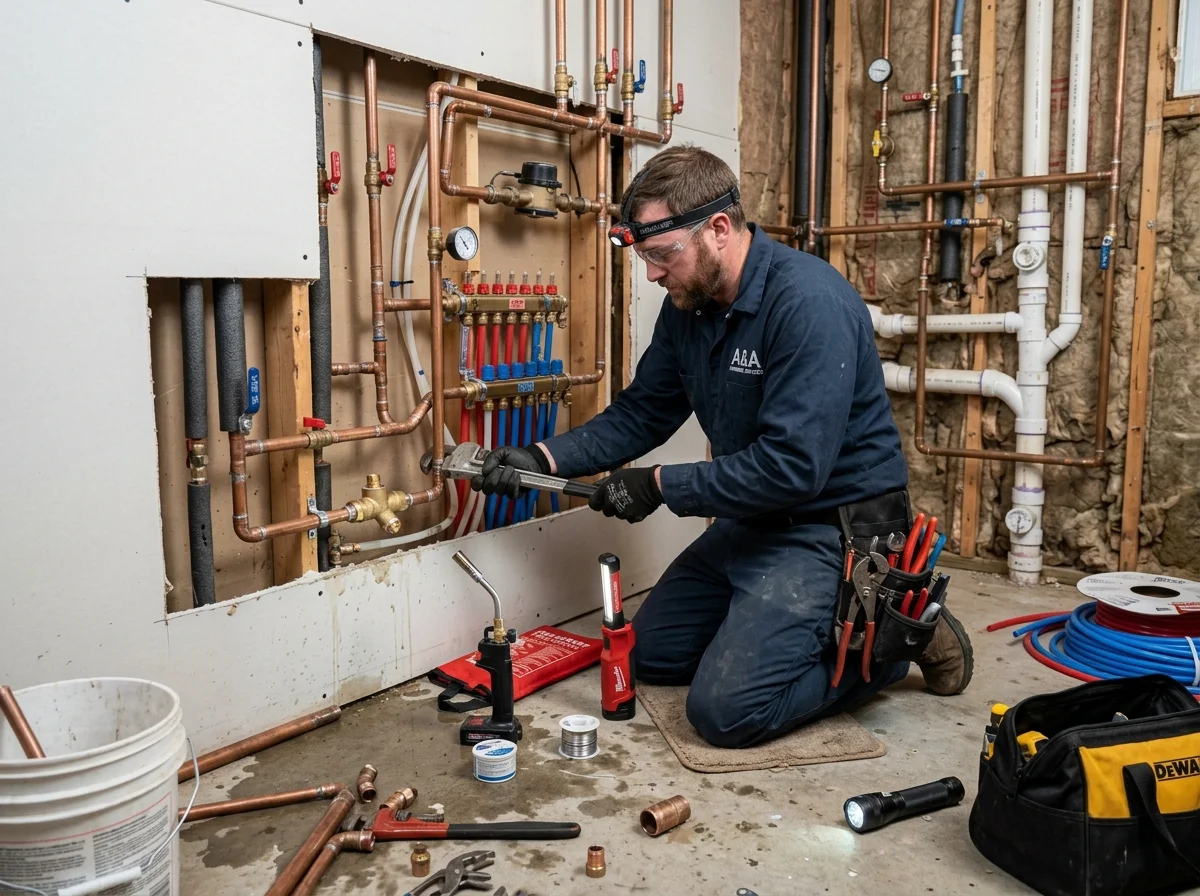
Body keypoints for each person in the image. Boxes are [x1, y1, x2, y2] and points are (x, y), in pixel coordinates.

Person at [470, 144, 973, 749]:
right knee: (651, 658)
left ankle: (892, 642)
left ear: (718, 229)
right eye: (646, 258)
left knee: (725, 712)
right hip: (752, 520)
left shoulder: (807, 304)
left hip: (831, 529)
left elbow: (793, 470)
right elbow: (643, 411)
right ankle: (787, 626)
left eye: (662, 255)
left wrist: (660, 485)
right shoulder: (691, 306)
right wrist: (540, 459)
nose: (652, 274)